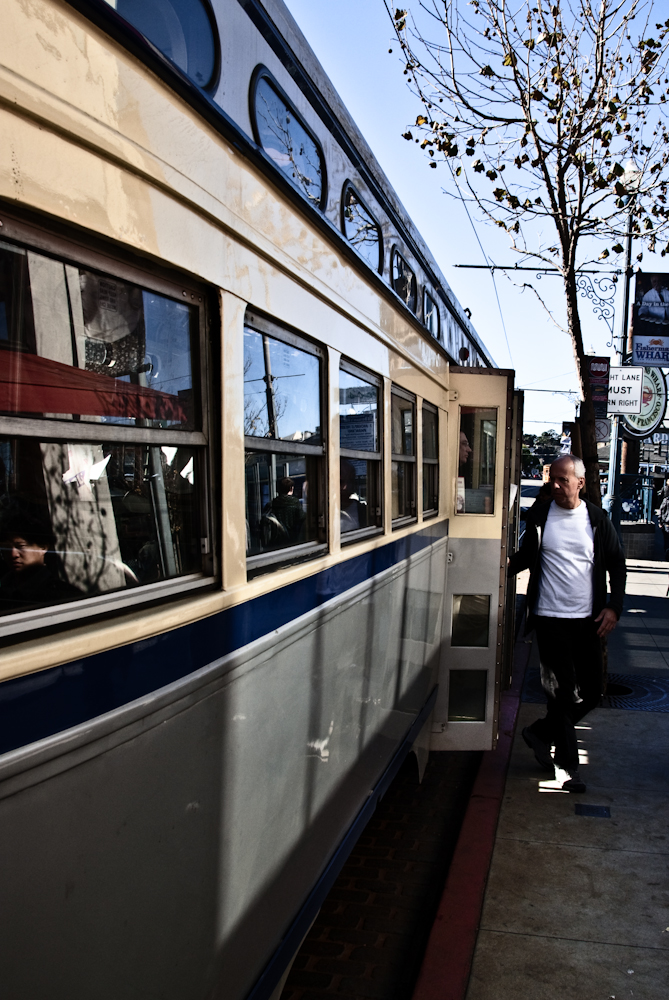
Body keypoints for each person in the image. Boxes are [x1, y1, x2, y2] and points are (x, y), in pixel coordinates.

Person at [508, 455, 626, 793]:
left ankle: (540, 733)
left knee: (591, 692)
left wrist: (614, 607)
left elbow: (617, 564)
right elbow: (525, 556)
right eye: (552, 480)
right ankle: (566, 769)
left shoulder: (597, 520)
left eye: (562, 480)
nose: (555, 486)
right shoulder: (541, 516)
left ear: (580, 483)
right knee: (560, 695)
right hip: (549, 618)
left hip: (588, 621)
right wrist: (495, 565)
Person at [0, 512, 79, 614]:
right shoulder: (4, 590)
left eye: (20, 546)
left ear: (43, 547)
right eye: (5, 547)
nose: (13, 554)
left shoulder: (62, 594)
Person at [261, 476, 305, 547]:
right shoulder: (295, 503)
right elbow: (301, 517)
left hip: (275, 541)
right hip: (292, 539)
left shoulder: (271, 504)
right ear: (291, 489)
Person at [340, 460, 368, 533]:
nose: (345, 487)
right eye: (340, 482)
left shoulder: (364, 512)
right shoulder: (320, 513)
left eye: (350, 481)